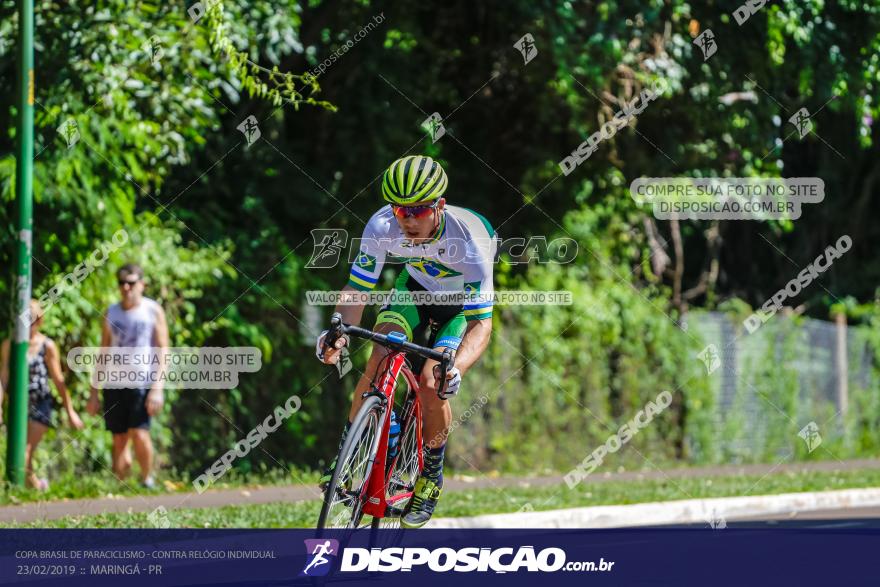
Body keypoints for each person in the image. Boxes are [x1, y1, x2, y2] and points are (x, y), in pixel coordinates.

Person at [316, 155, 496, 528]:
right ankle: (353, 452)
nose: (407, 219)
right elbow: (358, 289)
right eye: (400, 210)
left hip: (457, 306)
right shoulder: (382, 226)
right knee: (379, 355)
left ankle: (430, 475)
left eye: (417, 209)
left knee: (433, 384)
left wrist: (456, 369)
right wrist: (337, 334)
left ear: (439, 206)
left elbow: (482, 324)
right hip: (413, 291)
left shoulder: (472, 241)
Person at [86, 263, 169, 489]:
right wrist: (93, 392)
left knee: (140, 433)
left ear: (142, 284)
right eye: (121, 283)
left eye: (131, 282)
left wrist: (157, 388)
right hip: (114, 383)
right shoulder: (111, 312)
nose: (126, 287)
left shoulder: (152, 311)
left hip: (142, 382)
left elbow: (163, 350)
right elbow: (103, 352)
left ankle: (146, 480)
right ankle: (121, 489)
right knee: (119, 438)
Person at [0, 300, 84, 490]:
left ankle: (17, 490)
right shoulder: (9, 344)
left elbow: (58, 380)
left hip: (41, 403)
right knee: (20, 451)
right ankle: (37, 487)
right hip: (18, 404)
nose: (29, 325)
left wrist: (70, 411)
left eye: (34, 320)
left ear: (40, 321)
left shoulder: (48, 346)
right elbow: (3, 378)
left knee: (25, 451)